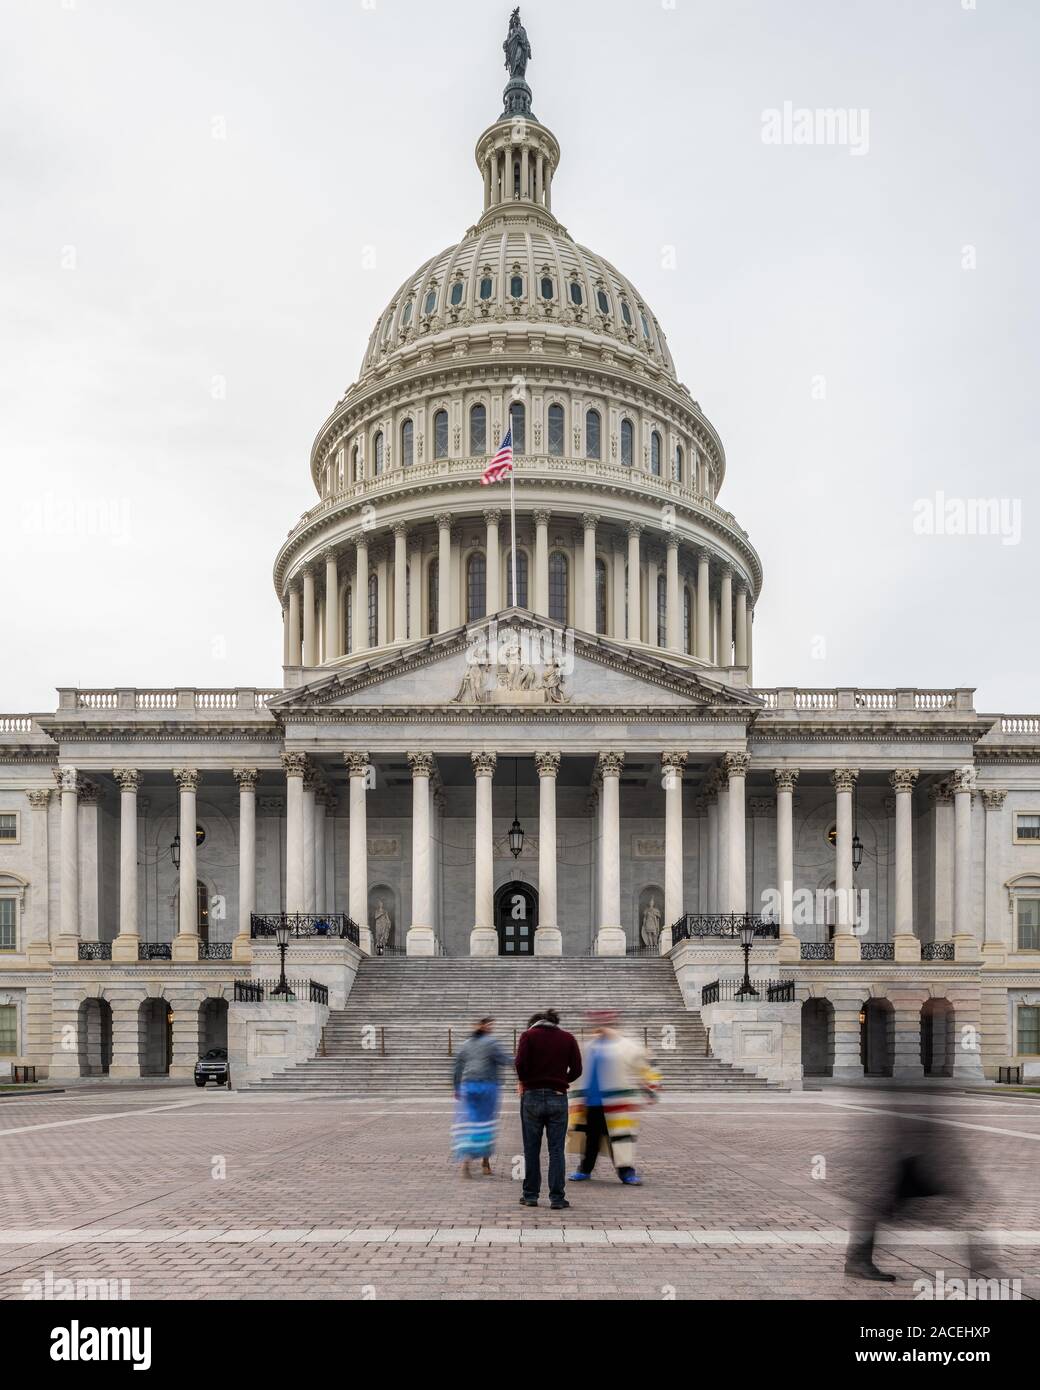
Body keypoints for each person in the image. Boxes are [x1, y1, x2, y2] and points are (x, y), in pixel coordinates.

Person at [567, 1011, 660, 1186]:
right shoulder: (589, 1046)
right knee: (590, 1138)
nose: (600, 1026)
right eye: (598, 1022)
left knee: (619, 1138)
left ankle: (626, 1172)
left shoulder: (624, 1045)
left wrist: (651, 1088)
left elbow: (645, 1062)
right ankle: (585, 1169)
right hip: (591, 1102)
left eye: (604, 1022)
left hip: (616, 1104)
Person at [515, 1008, 583, 1210]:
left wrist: (527, 1081)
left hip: (531, 1097)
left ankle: (530, 1195)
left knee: (531, 1149)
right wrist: (562, 1080)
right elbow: (577, 1069)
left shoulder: (528, 1036)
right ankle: (557, 1198)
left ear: (534, 1023)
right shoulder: (568, 1038)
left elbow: (519, 1064)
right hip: (558, 1097)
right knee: (556, 1150)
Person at [451, 1017, 513, 1178]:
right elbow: (505, 1060)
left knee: (471, 1122)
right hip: (488, 1087)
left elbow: (457, 1066)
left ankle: (466, 1161)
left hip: (468, 1086)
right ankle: (485, 1163)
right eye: (489, 1025)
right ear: (484, 1027)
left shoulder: (465, 1044)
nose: (491, 1027)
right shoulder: (491, 1043)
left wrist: (457, 1087)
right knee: (487, 1123)